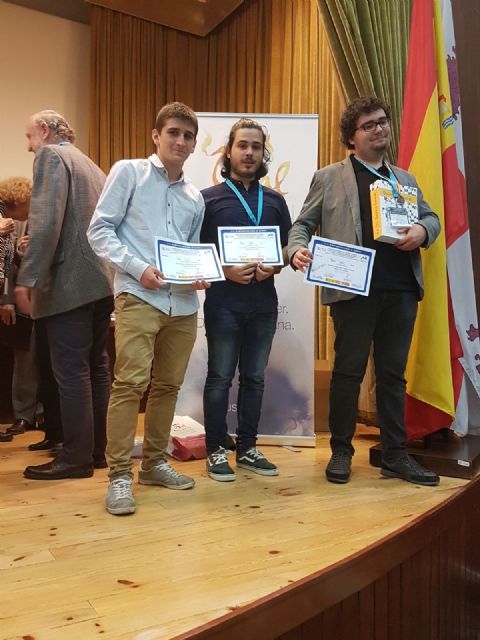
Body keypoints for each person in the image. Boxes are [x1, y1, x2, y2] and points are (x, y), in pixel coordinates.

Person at [288, 96, 441, 487]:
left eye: (384, 121)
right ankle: (341, 450)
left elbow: (430, 217)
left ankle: (395, 454)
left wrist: (423, 231)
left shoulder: (404, 179)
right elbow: (302, 224)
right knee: (348, 372)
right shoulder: (329, 176)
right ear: (351, 137)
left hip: (401, 289)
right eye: (370, 124)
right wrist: (296, 250)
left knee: (392, 375)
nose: (380, 128)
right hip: (352, 291)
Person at [88, 101, 208, 515]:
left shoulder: (195, 197)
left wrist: (197, 272)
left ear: (194, 145)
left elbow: (189, 250)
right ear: (156, 136)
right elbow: (99, 230)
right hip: (139, 295)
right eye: (172, 132)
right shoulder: (129, 171)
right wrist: (139, 270)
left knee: (169, 386)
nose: (180, 140)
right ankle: (120, 475)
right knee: (129, 384)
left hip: (184, 302)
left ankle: (155, 463)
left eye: (187, 135)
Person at [15, 110, 113, 480]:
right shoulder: (90, 164)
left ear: (44, 130)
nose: (28, 147)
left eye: (28, 137)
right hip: (101, 282)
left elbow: (45, 222)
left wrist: (28, 278)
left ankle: (75, 458)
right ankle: (96, 451)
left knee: (71, 373)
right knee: (97, 369)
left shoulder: (51, 156)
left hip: (69, 285)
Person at [200, 118, 292, 482]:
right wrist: (224, 270)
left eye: (256, 146)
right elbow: (197, 252)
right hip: (223, 303)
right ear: (229, 152)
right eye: (242, 145)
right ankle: (215, 451)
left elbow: (288, 246)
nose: (249, 152)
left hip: (263, 305)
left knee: (254, 378)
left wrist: (277, 263)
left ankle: (249, 448)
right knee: (220, 378)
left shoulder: (275, 200)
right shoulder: (208, 199)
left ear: (262, 152)